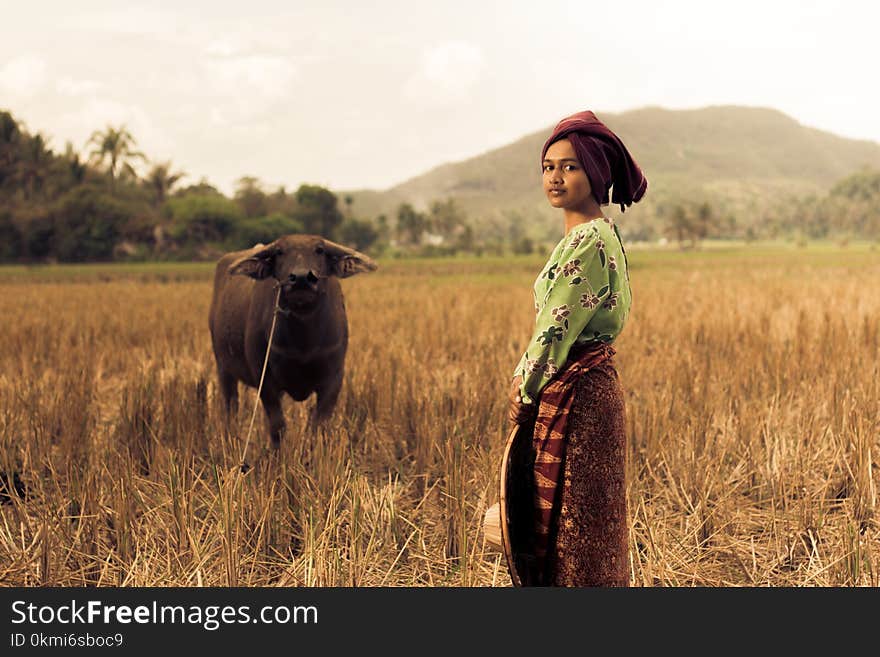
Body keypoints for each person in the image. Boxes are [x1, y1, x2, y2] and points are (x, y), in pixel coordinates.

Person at [508, 110, 647, 587]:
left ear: (596, 173)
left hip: (581, 396)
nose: (555, 176)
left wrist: (523, 390)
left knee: (576, 531)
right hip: (589, 390)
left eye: (569, 166)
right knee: (587, 526)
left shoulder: (588, 241)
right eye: (548, 167)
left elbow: (554, 330)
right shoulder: (592, 236)